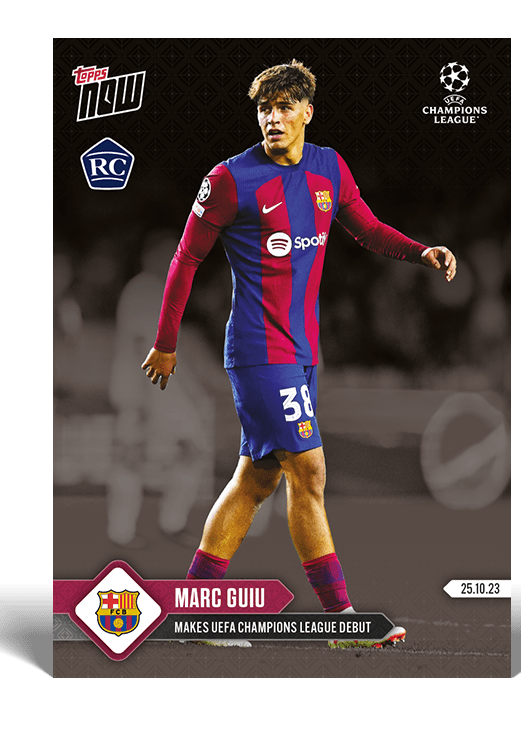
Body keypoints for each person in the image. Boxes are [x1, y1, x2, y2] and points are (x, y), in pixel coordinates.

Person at [142, 60, 456, 648]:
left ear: (308, 111)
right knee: (309, 472)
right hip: (259, 351)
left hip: (303, 352)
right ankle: (342, 621)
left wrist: (420, 252)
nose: (273, 118)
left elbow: (366, 228)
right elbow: (185, 259)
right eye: (265, 108)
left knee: (255, 481)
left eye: (285, 107)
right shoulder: (230, 179)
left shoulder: (328, 167)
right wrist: (165, 341)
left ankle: (194, 615)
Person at [108, 233, 214, 549]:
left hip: (161, 388)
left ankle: (170, 523)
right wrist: (143, 397)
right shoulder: (143, 288)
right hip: (145, 387)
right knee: (132, 455)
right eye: (170, 252)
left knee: (190, 450)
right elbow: (145, 344)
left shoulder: (158, 289)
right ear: (149, 255)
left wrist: (189, 388)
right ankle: (123, 531)